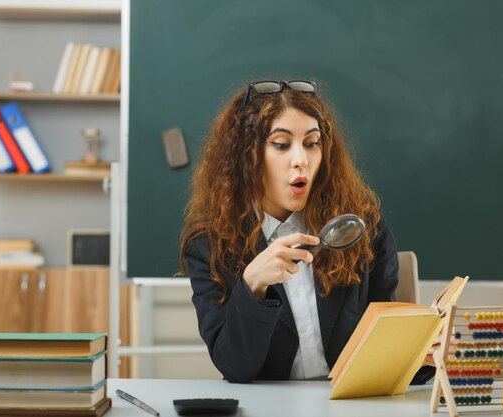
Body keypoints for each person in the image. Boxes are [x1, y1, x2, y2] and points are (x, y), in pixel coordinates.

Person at [179, 80, 434, 383]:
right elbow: (235, 368)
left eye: (312, 143)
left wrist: (427, 353)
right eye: (281, 145)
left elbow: (386, 354)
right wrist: (252, 286)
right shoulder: (208, 244)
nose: (301, 160)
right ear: (246, 157)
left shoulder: (361, 226)